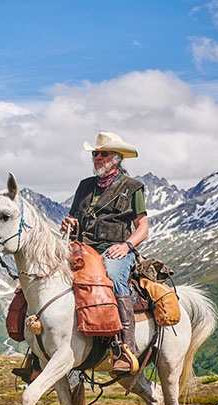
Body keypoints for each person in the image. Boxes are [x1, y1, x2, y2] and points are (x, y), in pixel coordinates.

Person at [62, 131, 149, 374]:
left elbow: (143, 227)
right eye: (95, 154)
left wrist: (127, 246)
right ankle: (38, 350)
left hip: (116, 250)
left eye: (103, 154)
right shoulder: (84, 186)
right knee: (49, 272)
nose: (97, 157)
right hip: (82, 248)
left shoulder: (132, 187)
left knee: (113, 276)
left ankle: (124, 347)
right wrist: (69, 225)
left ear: (117, 158)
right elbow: (74, 218)